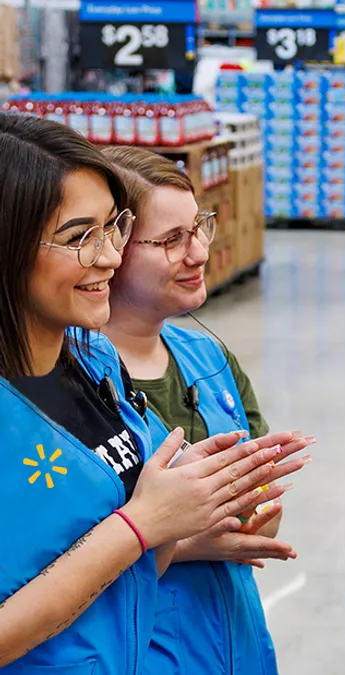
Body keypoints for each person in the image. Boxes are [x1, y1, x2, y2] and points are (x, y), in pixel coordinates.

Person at [0, 114, 307, 673]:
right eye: (80, 238)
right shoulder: (42, 391)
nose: (109, 257)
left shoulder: (92, 373)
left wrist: (199, 499)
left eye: (112, 229)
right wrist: (147, 524)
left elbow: (125, 563)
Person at [100, 146, 299, 675]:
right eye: (171, 240)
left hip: (235, 642)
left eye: (200, 227)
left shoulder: (208, 358)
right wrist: (188, 543)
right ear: (110, 249)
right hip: (140, 651)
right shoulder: (68, 379)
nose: (200, 253)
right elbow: (55, 556)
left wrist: (260, 507)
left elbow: (257, 503)